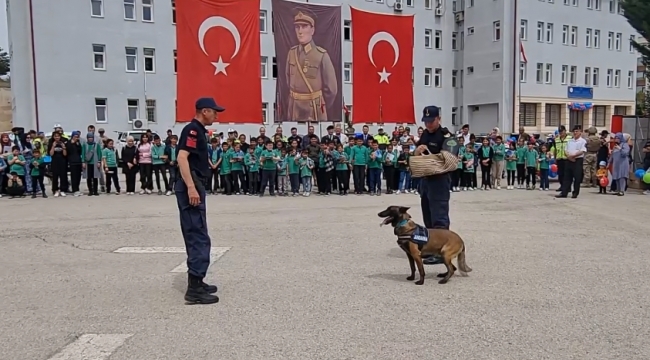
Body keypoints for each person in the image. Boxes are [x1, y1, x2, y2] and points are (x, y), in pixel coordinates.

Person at [175, 97, 223, 305]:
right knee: (197, 234)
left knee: (199, 232)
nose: (216, 115)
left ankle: (198, 280)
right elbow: (182, 158)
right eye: (214, 111)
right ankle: (194, 289)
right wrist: (191, 187)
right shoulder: (192, 130)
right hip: (191, 186)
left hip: (196, 184)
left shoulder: (199, 131)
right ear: (204, 111)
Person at [413, 106, 452, 265]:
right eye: (426, 121)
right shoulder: (424, 136)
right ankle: (431, 249)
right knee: (428, 218)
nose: (428, 124)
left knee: (439, 219)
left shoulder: (446, 136)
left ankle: (443, 251)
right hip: (426, 181)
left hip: (440, 182)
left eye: (431, 121)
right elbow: (418, 158)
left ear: (439, 119)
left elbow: (450, 160)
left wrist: (430, 153)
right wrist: (417, 152)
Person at [284, 10, 338, 121]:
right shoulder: (292, 53)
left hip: (313, 107)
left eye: (304, 27)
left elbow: (332, 89)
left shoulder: (321, 55)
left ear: (312, 30)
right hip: (294, 106)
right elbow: (288, 78)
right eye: (297, 27)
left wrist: (320, 103)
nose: (300, 31)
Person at [556, 125, 586, 199]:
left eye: (577, 131)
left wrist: (573, 156)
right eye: (574, 131)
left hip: (577, 160)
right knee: (566, 177)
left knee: (577, 178)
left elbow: (582, 151)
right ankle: (564, 192)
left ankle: (575, 193)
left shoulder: (583, 141)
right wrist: (569, 156)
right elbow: (566, 150)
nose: (575, 133)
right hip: (568, 160)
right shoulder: (570, 141)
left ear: (580, 132)